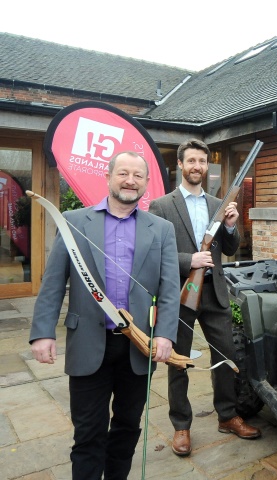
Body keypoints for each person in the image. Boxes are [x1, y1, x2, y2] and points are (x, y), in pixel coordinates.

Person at [30, 151, 181, 480]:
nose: (130, 180)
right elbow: (54, 282)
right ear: (109, 177)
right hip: (87, 344)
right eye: (123, 173)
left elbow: (170, 290)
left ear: (146, 183)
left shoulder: (162, 229)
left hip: (138, 348)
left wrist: (166, 334)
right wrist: (43, 332)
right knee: (88, 434)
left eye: (138, 176)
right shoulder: (73, 222)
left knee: (127, 429)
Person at [149, 139, 260, 457]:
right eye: (192, 161)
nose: (197, 166)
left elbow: (229, 248)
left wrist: (230, 225)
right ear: (181, 165)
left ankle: (227, 416)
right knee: (178, 359)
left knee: (227, 356)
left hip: (214, 291)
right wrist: (190, 261)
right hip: (179, 292)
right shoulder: (162, 205)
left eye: (202, 161)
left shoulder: (217, 203)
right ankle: (181, 425)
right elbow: (157, 252)